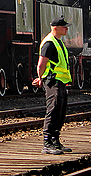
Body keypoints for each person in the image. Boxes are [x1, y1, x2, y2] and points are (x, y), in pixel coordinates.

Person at [32, 15, 72, 154]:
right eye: (64, 26)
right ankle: (47, 143)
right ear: (56, 28)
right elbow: (41, 63)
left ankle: (55, 140)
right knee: (53, 109)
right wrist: (40, 78)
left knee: (60, 111)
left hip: (60, 81)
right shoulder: (49, 43)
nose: (66, 29)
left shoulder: (58, 42)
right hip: (52, 81)